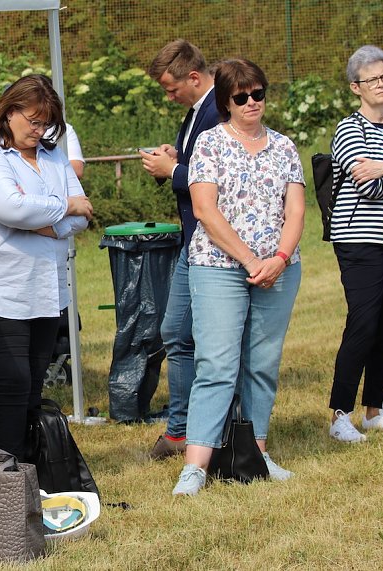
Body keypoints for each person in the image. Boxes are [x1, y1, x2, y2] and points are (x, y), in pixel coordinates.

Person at [171, 59, 305, 496]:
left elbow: (297, 210)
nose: (252, 103)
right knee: (216, 364)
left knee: (262, 363)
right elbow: (205, 211)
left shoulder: (285, 147)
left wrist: (280, 258)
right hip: (218, 266)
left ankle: (256, 453)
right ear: (226, 101)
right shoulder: (208, 144)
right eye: (241, 97)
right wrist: (251, 261)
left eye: (258, 94)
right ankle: (196, 466)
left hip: (279, 267)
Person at [0, 74, 93, 460]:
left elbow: (84, 217)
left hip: (46, 292)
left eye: (46, 123)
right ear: (9, 111)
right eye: (32, 120)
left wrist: (44, 220)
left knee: (32, 385)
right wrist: (63, 209)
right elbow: (12, 208)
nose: (39, 130)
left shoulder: (52, 157)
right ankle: (6, 470)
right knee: (11, 381)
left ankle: (31, 472)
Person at [327, 46, 383, 443]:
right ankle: (340, 414)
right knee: (363, 323)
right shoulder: (349, 129)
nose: (382, 85)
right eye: (374, 79)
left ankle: (374, 409)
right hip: (361, 236)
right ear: (356, 87)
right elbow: (367, 184)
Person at [141, 39, 220, 460]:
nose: (168, 96)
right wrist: (176, 157)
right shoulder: (195, 113)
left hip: (211, 242)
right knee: (178, 333)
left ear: (194, 77)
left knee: (186, 335)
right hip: (194, 238)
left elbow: (220, 180)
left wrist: (172, 169)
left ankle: (184, 430)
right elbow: (197, 166)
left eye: (172, 88)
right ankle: (183, 427)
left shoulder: (217, 111)